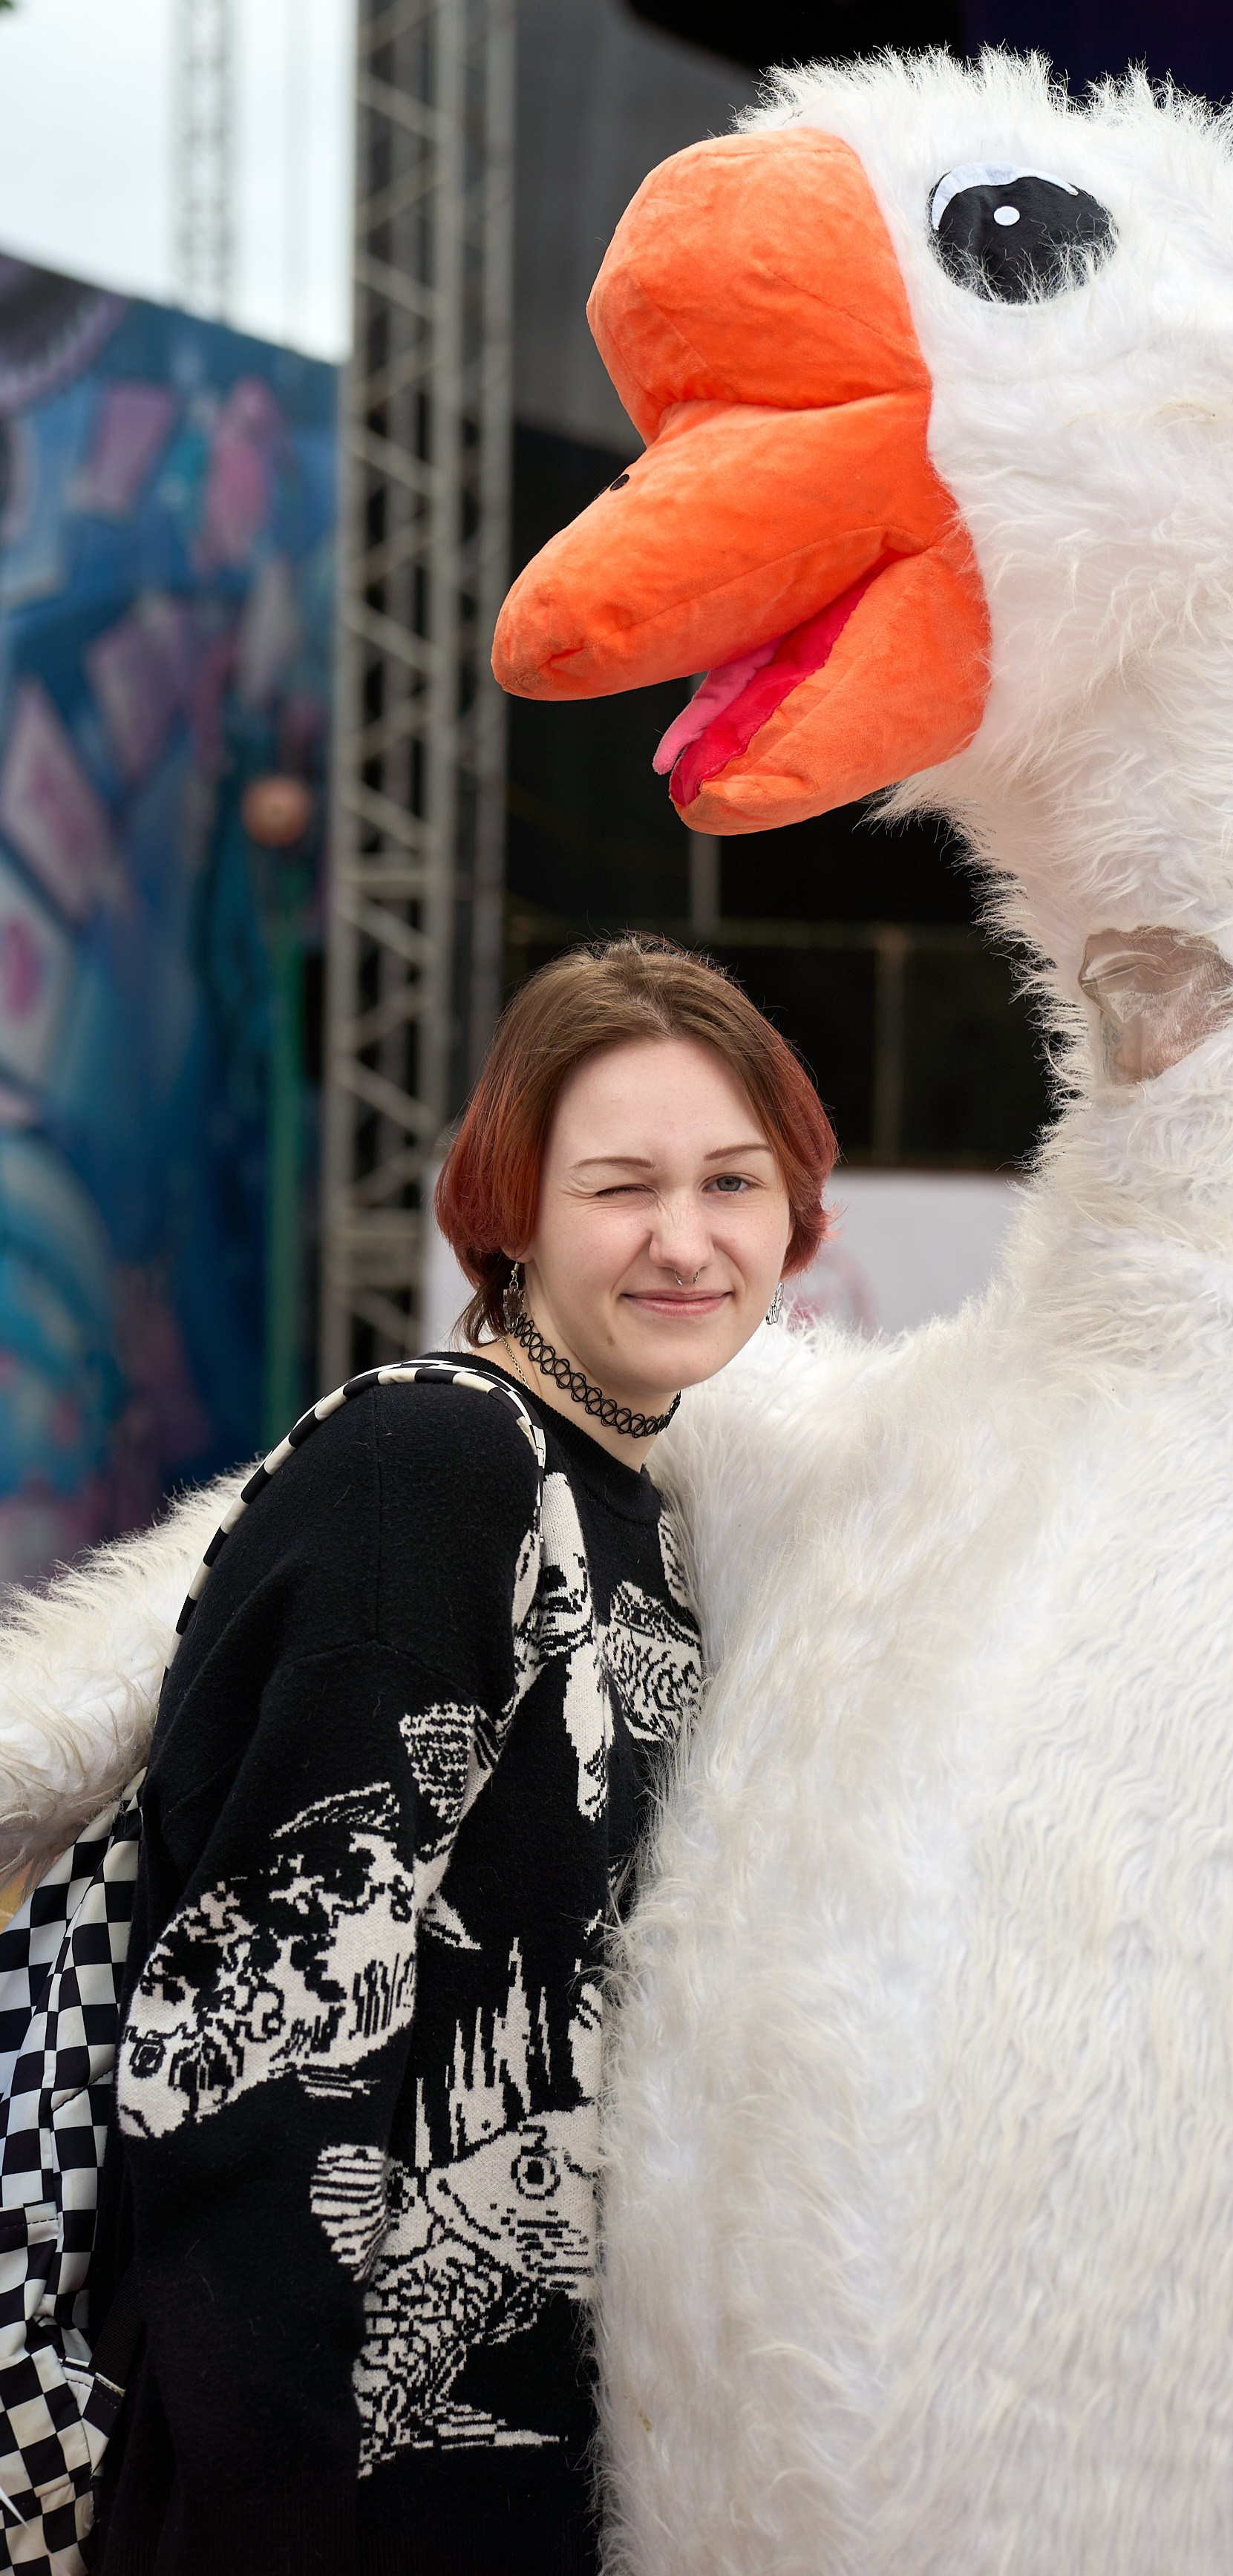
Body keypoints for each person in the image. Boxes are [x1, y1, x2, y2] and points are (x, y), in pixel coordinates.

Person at [86, 935, 837, 2575]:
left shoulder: (635, 1499)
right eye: (620, 1186)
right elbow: (252, 2043)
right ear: (510, 1210)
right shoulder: (436, 1462)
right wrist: (269, 2514)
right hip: (335, 2496)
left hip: (522, 2471)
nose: (686, 1238)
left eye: (731, 1180)